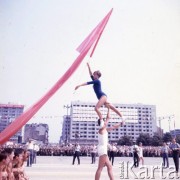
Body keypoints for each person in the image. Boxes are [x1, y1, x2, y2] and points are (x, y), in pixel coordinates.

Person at [95, 108, 124, 180]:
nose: (105, 121)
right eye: (104, 121)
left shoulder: (104, 129)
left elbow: (113, 127)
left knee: (109, 166)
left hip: (103, 149)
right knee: (100, 168)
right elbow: (108, 118)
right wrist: (109, 108)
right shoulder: (101, 129)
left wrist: (121, 124)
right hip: (102, 150)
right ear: (101, 123)